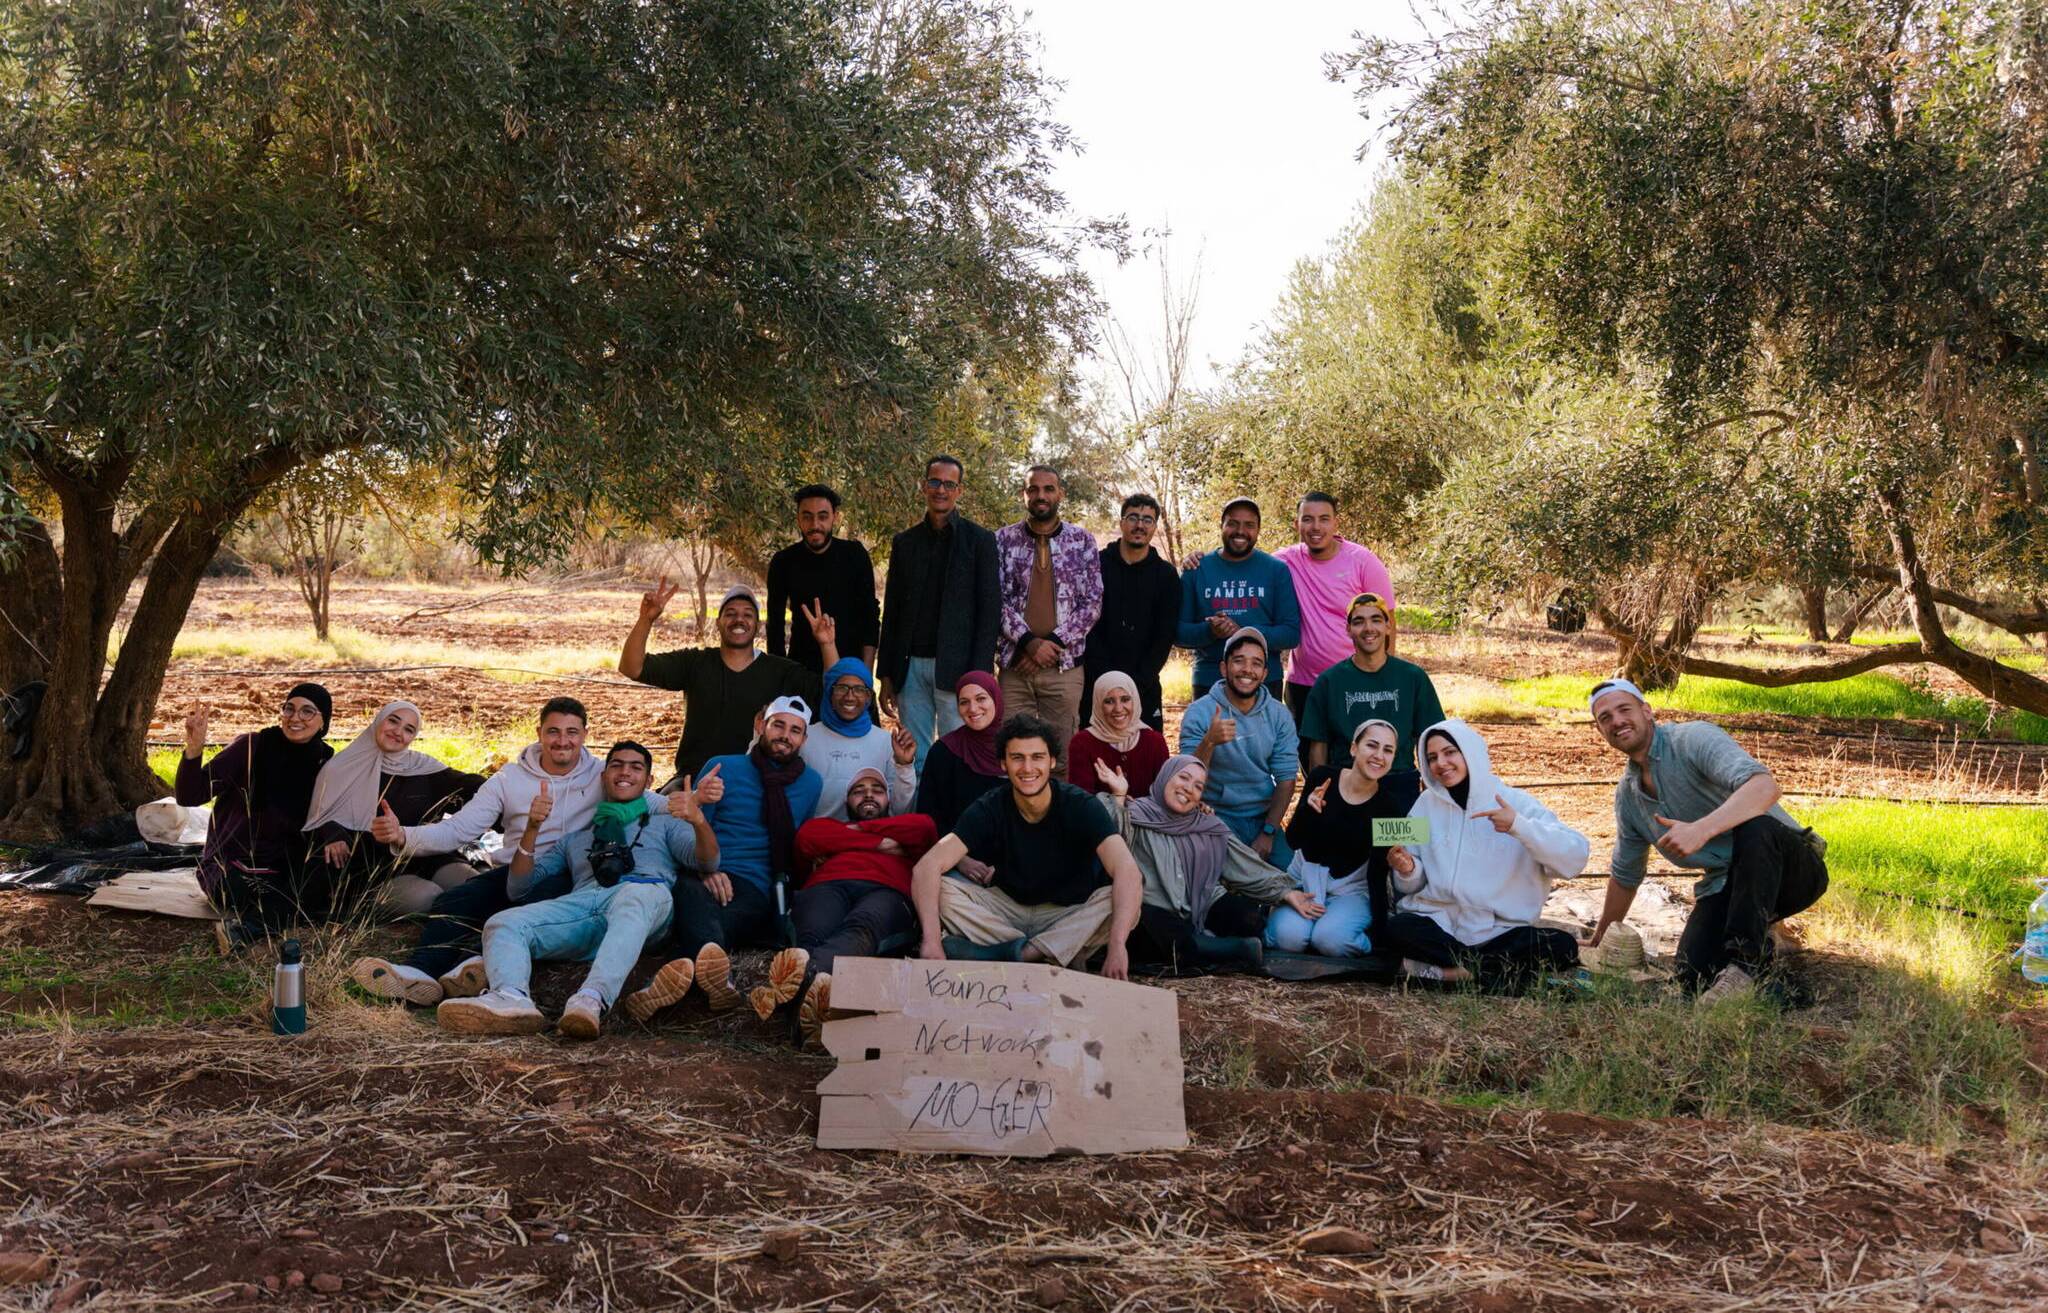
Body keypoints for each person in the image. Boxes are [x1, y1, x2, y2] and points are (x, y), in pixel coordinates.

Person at [348, 697, 683, 1006]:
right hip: (517, 867)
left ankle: (471, 965)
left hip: (572, 873)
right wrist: (403, 835)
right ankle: (418, 973)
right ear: (538, 733)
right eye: (553, 731)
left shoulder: (601, 774)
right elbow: (460, 829)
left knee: (531, 903)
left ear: (585, 734)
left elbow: (651, 802)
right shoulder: (510, 778)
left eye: (572, 732)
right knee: (457, 899)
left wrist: (692, 808)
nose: (562, 741)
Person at [436, 742, 719, 1040]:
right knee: (504, 922)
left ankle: (590, 1000)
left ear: (649, 781)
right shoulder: (577, 838)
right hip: (587, 905)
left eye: (636, 767)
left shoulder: (665, 823)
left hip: (645, 900)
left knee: (635, 896)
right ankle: (511, 998)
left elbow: (709, 860)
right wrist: (532, 828)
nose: (625, 772)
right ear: (603, 776)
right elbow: (518, 888)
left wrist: (698, 820)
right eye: (617, 765)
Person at [1583, 679, 1828, 1001]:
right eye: (1605, 718)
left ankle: (1745, 965)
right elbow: (1626, 874)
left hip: (1790, 868)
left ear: (1646, 711)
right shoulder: (1629, 798)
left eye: (1624, 709)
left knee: (1755, 828)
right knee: (1691, 975)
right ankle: (1776, 987)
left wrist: (1701, 829)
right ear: (1601, 731)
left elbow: (1764, 787)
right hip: (1727, 886)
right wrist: (1602, 936)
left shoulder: (1692, 739)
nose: (1616, 721)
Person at [622, 696, 825, 1021]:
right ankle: (717, 979)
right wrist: (706, 871)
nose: (785, 735)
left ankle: (678, 979)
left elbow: (793, 843)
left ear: (804, 739)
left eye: (795, 730)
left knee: (709, 918)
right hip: (704, 869)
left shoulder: (812, 783)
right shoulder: (724, 767)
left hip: (757, 886)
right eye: (778, 725)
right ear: (761, 725)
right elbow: (693, 828)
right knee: (692, 895)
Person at [911, 714, 1143, 978]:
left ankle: (1017, 955)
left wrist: (1117, 947)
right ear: (1003, 764)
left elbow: (1126, 869)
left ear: (1052, 761)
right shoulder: (990, 805)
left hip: (1065, 912)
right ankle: (1054, 952)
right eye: (1017, 757)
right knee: (942, 890)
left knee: (1123, 896)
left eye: (1037, 757)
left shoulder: (1080, 805)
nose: (1027, 768)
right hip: (1006, 910)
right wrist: (931, 941)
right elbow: (926, 866)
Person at [1380, 719, 1589, 992]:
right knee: (1399, 926)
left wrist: (1518, 826)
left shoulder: (1514, 802)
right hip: (1439, 927)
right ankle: (1488, 974)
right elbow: (1412, 884)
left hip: (1498, 932)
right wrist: (1407, 870)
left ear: (1470, 752)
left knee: (1562, 945)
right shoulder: (1424, 805)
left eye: (1450, 752)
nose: (1441, 763)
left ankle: (1451, 974)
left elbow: (1574, 857)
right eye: (1432, 757)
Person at [751, 768, 938, 1044]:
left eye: (877, 789)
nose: (868, 795)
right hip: (828, 886)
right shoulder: (830, 825)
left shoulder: (906, 824)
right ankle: (809, 1006)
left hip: (886, 891)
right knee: (812, 933)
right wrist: (882, 843)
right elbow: (807, 837)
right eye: (858, 791)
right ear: (846, 801)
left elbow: (924, 829)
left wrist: (851, 836)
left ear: (889, 799)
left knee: (861, 928)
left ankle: (797, 989)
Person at [1098, 754, 1315, 974]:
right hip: (1154, 906)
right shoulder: (1135, 814)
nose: (1188, 788)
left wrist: (1286, 892)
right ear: (1165, 776)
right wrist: (1118, 795)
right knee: (1158, 931)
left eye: (1198, 786)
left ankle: (1208, 943)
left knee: (1247, 917)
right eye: (1183, 778)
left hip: (1201, 900)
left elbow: (1242, 864)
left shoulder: (1205, 824)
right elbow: (1109, 838)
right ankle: (1227, 948)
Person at [175, 683, 334, 944]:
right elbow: (191, 795)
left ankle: (246, 930)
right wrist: (193, 750)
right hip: (232, 865)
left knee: (315, 883)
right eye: (289, 709)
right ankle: (264, 919)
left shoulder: (325, 762)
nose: (295, 718)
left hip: (284, 867)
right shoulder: (251, 747)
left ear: (323, 721)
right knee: (262, 892)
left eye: (307, 712)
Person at [620, 580, 816, 784]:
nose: (739, 619)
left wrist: (826, 643)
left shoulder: (781, 670)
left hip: (756, 783)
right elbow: (631, 667)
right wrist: (646, 618)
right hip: (693, 780)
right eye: (730, 613)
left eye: (748, 615)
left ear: (758, 626)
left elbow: (833, 694)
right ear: (718, 623)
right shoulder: (695, 662)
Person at [876, 454, 1000, 769]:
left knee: (959, 754)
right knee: (914, 756)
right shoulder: (905, 543)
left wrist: (979, 674)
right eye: (934, 482)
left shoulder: (979, 541)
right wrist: (886, 674)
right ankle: (918, 817)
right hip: (910, 668)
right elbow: (891, 612)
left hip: (957, 668)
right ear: (923, 486)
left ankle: (956, 818)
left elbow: (989, 613)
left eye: (948, 484)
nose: (940, 490)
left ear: (959, 490)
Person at [303, 700, 484, 916]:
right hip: (374, 871)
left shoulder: (422, 767)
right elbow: (317, 818)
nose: (398, 732)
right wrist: (332, 833)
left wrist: (507, 785)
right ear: (379, 720)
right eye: (393, 721)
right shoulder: (340, 768)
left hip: (426, 856)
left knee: (476, 887)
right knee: (430, 897)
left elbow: (471, 787)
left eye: (409, 729)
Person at [1266, 719, 1416, 958]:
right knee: (1288, 939)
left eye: (1387, 750)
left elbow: (1378, 873)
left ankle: (1352, 933)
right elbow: (1293, 840)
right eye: (1372, 745)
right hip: (1306, 878)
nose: (1379, 755)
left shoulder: (1391, 807)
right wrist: (1308, 810)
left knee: (1330, 941)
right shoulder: (1321, 778)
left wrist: (1380, 933)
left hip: (1351, 890)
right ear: (1354, 748)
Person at [994, 465, 1102, 745]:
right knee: (1014, 748)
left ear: (1060, 494)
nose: (1040, 495)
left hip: (1064, 667)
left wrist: (1052, 644)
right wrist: (1029, 643)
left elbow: (1093, 602)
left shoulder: (1081, 541)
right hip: (1016, 667)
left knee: (1062, 751)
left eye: (1048, 489)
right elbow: (996, 599)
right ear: (1024, 495)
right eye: (1033, 489)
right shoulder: (1003, 540)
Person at [1176, 629, 1300, 867]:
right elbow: (1185, 777)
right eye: (1239, 661)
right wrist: (1209, 742)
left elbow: (1286, 780)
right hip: (1212, 815)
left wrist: (1268, 832)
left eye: (1256, 664)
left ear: (1264, 673)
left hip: (1261, 817)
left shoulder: (1279, 715)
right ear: (1224, 668)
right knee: (1216, 879)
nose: (1247, 670)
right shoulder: (1200, 712)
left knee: (1293, 880)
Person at [1275, 492, 1397, 724]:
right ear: (1297, 524)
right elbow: (1245, 563)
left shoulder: (1363, 561)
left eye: (1324, 519)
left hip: (1357, 681)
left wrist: (1384, 678)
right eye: (1308, 519)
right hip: (1303, 685)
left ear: (1336, 523)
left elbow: (1388, 622)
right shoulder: (1285, 561)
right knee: (1309, 757)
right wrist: (1199, 559)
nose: (1316, 527)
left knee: (1356, 755)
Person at [1300, 592, 1443, 783]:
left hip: (1399, 782)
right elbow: (1318, 746)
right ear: (1348, 629)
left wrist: (1429, 798)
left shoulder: (1413, 677)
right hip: (1346, 783)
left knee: (1401, 812)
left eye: (1376, 620)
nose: (1368, 628)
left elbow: (1429, 741)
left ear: (1388, 626)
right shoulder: (1329, 682)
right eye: (1359, 622)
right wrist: (1320, 793)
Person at [1177, 497, 1301, 697]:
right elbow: (1178, 633)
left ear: (1258, 529)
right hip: (1210, 680)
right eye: (1233, 523)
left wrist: (1243, 632)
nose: (1241, 531)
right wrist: (1209, 631)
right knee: (1211, 730)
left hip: (1264, 681)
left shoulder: (1276, 570)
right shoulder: (1196, 570)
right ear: (1222, 526)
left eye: (1249, 525)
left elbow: (1291, 634)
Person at [1082, 493, 1181, 732]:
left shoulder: (1166, 575)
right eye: (1133, 517)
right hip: (1095, 683)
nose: (1139, 525)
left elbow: (1164, 636)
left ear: (1155, 527)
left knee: (1146, 759)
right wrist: (1106, 682)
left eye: (1147, 520)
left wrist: (1136, 683)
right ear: (1121, 523)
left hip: (1144, 685)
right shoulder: (1096, 565)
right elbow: (1087, 625)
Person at [765, 483, 880, 675]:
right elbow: (774, 627)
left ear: (835, 517)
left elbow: (870, 617)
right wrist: (780, 680)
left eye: (823, 516)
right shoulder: (783, 561)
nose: (815, 525)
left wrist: (865, 676)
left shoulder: (855, 556)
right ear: (798, 519)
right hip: (802, 673)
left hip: (849, 673)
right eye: (807, 517)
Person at [801, 657, 916, 819]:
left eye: (859, 690)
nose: (850, 696)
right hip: (819, 838)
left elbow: (898, 811)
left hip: (869, 838)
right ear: (829, 694)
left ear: (869, 698)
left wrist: (904, 765)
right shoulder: (806, 737)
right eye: (842, 688)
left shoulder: (886, 742)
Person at [911, 672, 1009, 843]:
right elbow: (929, 816)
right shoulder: (944, 752)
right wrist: (960, 858)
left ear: (996, 698)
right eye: (964, 702)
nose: (972, 708)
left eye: (981, 699)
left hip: (1011, 856)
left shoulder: (1017, 748)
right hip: (955, 853)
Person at [1066, 671, 1170, 799]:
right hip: (1101, 818)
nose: (1118, 709)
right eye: (1109, 701)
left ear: (1135, 700)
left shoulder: (1155, 741)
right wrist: (1117, 800)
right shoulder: (1082, 743)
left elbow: (1165, 793)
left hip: (1150, 818)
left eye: (1125, 699)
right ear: (1098, 704)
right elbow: (1080, 800)